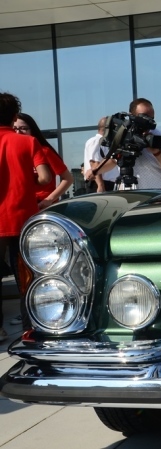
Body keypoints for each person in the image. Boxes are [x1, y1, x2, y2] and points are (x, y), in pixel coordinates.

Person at [0, 92, 51, 337]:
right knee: (27, 281)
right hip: (22, 220)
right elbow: (45, 177)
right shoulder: (27, 142)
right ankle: (28, 330)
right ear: (15, 116)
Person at [87, 98, 161, 189]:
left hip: (156, 198)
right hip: (128, 197)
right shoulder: (123, 135)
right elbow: (113, 160)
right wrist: (95, 171)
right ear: (131, 116)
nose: (149, 121)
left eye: (151, 118)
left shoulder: (160, 138)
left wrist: (157, 153)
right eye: (144, 117)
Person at [14, 113, 74, 209]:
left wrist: (49, 200)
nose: (18, 132)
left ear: (32, 130)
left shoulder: (44, 151)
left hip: (43, 206)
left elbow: (68, 179)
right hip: (22, 206)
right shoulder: (12, 152)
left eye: (23, 128)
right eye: (14, 129)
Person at [84, 116, 118, 193]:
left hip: (109, 184)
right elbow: (94, 164)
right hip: (101, 184)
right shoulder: (96, 141)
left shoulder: (107, 142)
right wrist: (100, 185)